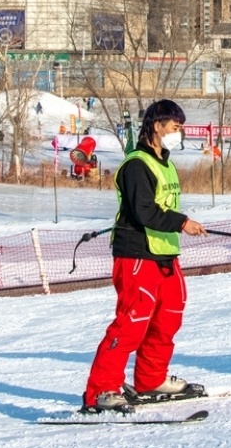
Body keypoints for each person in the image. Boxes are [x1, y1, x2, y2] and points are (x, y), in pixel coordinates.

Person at [82, 99, 208, 414]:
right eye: (175, 127)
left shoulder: (165, 163)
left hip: (165, 252)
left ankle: (151, 379)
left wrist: (177, 227)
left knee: (168, 317)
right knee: (132, 322)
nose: (179, 132)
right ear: (157, 126)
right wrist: (182, 222)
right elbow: (144, 210)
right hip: (136, 252)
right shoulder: (136, 164)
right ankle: (101, 391)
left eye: (180, 127)